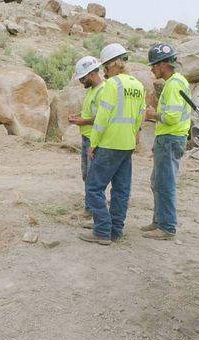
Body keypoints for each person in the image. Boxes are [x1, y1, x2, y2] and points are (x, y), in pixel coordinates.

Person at [80, 43, 146, 245]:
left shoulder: (112, 85)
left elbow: (102, 118)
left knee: (93, 187)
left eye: (105, 68)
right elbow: (140, 115)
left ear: (114, 64)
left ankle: (101, 231)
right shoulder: (138, 85)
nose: (105, 73)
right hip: (127, 145)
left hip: (109, 144)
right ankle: (116, 231)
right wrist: (135, 135)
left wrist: (94, 144)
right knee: (121, 190)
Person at [142, 43, 191, 240]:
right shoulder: (177, 82)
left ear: (163, 64)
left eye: (154, 65)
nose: (152, 69)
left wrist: (153, 114)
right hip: (169, 138)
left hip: (171, 138)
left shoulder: (173, 85)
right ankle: (159, 221)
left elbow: (171, 117)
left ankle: (167, 227)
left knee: (165, 182)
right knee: (157, 181)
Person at [68, 55, 105, 220]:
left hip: (94, 140)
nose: (81, 82)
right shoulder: (92, 91)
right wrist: (79, 116)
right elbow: (92, 113)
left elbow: (102, 117)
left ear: (91, 74)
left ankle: (95, 212)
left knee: (93, 178)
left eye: (82, 78)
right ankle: (89, 208)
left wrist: (83, 121)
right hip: (86, 138)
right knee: (87, 176)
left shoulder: (103, 91)